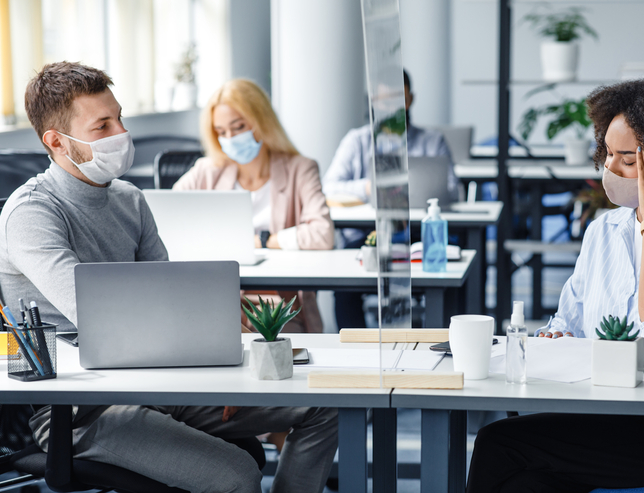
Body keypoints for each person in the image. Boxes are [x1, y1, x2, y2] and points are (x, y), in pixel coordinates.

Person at [0, 62, 337, 493]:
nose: (120, 133)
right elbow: (104, 319)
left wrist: (220, 376)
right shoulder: (31, 213)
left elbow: (176, 305)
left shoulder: (129, 199)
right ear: (56, 141)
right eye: (103, 125)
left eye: (119, 117)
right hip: (84, 411)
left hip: (159, 384)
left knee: (321, 406)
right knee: (238, 473)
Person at [466, 76, 644, 493]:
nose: (609, 168)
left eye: (628, 159)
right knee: (526, 483)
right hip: (599, 411)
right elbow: (569, 317)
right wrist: (556, 334)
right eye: (608, 153)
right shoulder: (604, 230)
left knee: (497, 443)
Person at [174, 79, 334, 333]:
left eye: (238, 127)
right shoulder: (208, 170)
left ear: (261, 121)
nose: (229, 138)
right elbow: (168, 217)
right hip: (219, 296)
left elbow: (322, 234)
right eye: (221, 132)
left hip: (278, 305)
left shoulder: (300, 169)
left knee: (234, 334)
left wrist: (264, 240)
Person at [324, 69, 456, 329]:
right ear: (373, 101)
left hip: (419, 234)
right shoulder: (357, 141)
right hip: (367, 236)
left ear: (410, 99)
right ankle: (356, 351)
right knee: (345, 285)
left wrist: (418, 192)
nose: (391, 106)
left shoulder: (432, 141)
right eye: (384, 99)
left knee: (449, 277)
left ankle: (438, 338)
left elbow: (452, 189)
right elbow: (329, 188)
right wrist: (369, 189)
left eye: (398, 98)